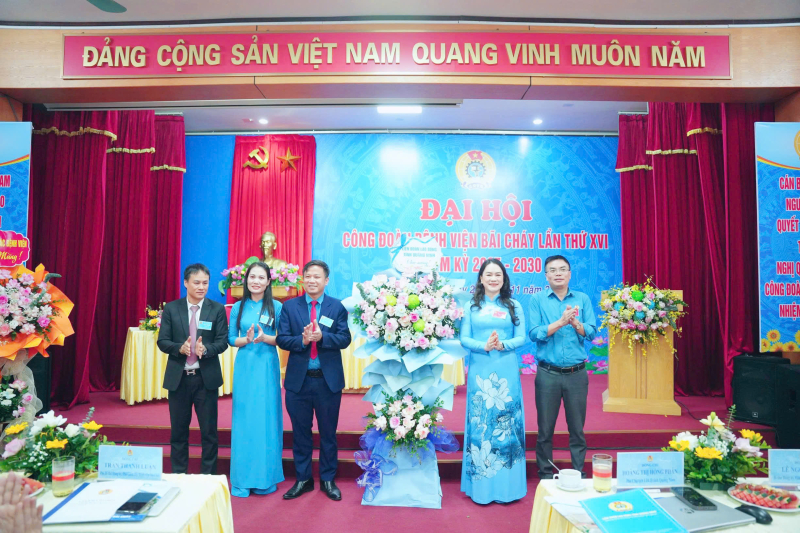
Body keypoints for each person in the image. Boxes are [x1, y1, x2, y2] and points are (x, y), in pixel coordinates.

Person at [277, 260, 351, 501]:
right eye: (308, 276)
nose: (311, 280)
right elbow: (282, 339)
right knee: (300, 433)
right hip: (298, 382)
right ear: (303, 279)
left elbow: (344, 338)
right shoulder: (290, 307)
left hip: (327, 382)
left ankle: (328, 479)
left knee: (328, 433)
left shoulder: (336, 306)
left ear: (326, 280)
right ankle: (303, 479)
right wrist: (303, 341)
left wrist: (323, 337)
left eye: (317, 276)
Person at [459, 259, 527, 504]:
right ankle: (482, 488)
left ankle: (508, 488)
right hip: (481, 368)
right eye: (489, 274)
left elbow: (522, 337)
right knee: (481, 422)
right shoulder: (471, 306)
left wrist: (503, 344)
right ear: (481, 278)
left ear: (504, 278)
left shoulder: (514, 305)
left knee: (507, 422)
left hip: (506, 368)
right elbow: (464, 338)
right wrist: (484, 346)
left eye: (498, 274)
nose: (493, 278)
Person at [528, 255, 596, 479]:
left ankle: (578, 472)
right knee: (545, 430)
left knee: (577, 429)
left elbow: (591, 332)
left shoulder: (582, 299)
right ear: (546, 275)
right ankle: (546, 474)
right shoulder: (537, 300)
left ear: (569, 274)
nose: (558, 273)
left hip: (577, 374)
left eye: (562, 269)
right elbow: (534, 333)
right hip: (548, 374)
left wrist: (575, 322)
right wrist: (561, 321)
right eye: (553, 270)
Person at [158, 264, 229, 475]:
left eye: (205, 283)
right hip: (178, 379)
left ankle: (208, 477)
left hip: (205, 379)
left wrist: (206, 349)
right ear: (186, 283)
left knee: (209, 433)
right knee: (178, 433)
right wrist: (179, 348)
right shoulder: (172, 309)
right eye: (196, 282)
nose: (201, 287)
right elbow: (163, 341)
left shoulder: (216, 309)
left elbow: (222, 342)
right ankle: (179, 475)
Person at [228, 261, 284, 497]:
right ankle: (242, 479)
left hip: (267, 365)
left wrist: (265, 338)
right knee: (244, 419)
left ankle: (265, 477)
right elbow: (231, 338)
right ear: (246, 280)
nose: (256, 281)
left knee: (266, 418)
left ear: (268, 281)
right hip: (245, 365)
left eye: (261, 277)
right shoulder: (237, 307)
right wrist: (247, 339)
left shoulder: (277, 307)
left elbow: (283, 338)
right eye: (252, 277)